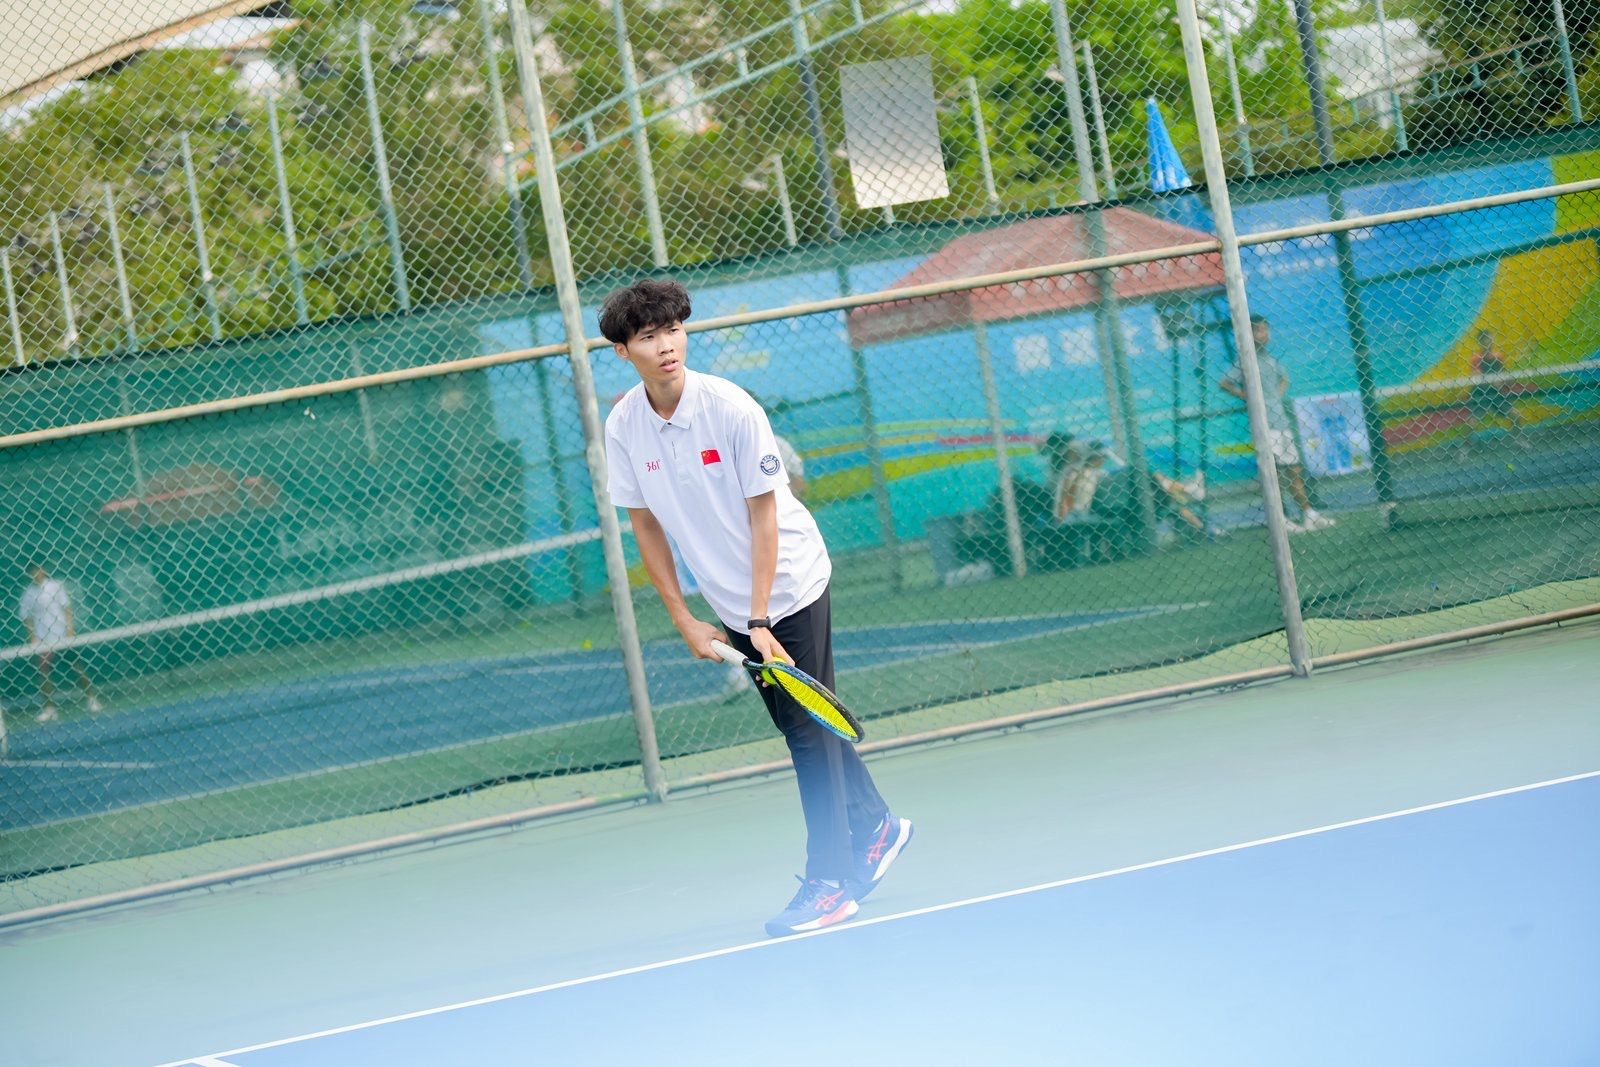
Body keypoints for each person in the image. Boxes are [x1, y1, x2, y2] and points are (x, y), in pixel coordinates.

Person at [599, 279, 912, 937]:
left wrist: (763, 619)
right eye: (649, 336)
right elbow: (645, 525)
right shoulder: (624, 426)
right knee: (805, 724)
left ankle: (830, 882)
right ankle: (877, 823)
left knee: (806, 734)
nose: (667, 346)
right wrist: (684, 616)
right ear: (624, 351)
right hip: (729, 602)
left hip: (789, 585)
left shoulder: (732, 409)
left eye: (674, 329)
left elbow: (764, 518)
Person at [1219, 315, 1334, 532]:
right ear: (1248, 334)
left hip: (1282, 423)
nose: (1263, 334)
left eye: (1265, 329)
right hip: (1265, 426)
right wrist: (1247, 397)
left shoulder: (1271, 359)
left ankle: (1309, 515)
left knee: (1294, 471)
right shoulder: (1245, 360)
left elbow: (1284, 378)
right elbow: (1224, 383)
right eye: (1258, 330)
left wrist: (1275, 397)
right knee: (1275, 475)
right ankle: (1281, 519)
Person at [19, 563, 103, 722]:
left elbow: (67, 608)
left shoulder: (55, 586)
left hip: (62, 635)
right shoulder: (28, 593)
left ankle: (92, 699)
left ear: (43, 569)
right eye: (32, 571)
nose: (35, 573)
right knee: (44, 674)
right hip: (43, 640)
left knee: (77, 667)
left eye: (38, 569)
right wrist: (33, 637)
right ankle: (50, 709)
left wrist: (69, 629)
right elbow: (26, 617)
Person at [1468, 329, 1529, 450]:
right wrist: (1490, 382)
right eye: (1484, 340)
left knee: (1515, 415)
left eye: (1490, 339)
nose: (1488, 342)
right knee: (1471, 422)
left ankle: (1519, 439)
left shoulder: (1498, 356)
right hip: (1481, 394)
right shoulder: (1476, 359)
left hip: (1497, 394)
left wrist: (1507, 380)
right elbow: (1476, 377)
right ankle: (1466, 447)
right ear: (1480, 342)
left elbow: (1504, 375)